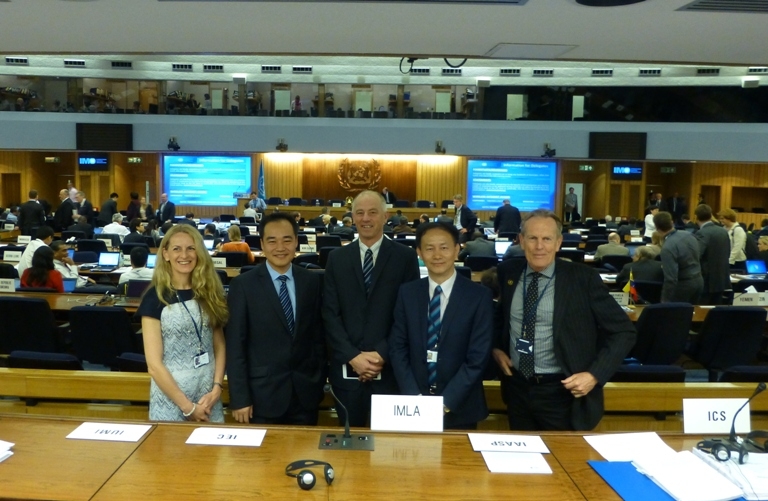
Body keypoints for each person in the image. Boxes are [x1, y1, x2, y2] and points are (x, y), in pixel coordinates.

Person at [492, 209, 635, 431]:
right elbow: (500, 318)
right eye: (532, 238)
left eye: (547, 239)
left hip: (563, 393)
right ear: (521, 240)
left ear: (558, 243)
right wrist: (496, 349)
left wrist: (594, 375)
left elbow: (623, 331)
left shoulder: (582, 278)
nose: (539, 246)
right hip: (517, 389)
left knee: (563, 454)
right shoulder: (508, 272)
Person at [323, 190, 420, 427]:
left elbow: (409, 314)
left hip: (390, 370)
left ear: (385, 217)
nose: (365, 218)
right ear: (352, 217)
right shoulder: (336, 258)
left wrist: (381, 354)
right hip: (347, 370)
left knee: (387, 444)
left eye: (373, 212)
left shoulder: (405, 257)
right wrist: (353, 356)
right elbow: (329, 314)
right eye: (360, 213)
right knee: (349, 441)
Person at [389, 222, 493, 429]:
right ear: (419, 252)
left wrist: (444, 403)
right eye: (429, 248)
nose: (437, 255)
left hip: (460, 406)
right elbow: (397, 347)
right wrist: (415, 398)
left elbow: (478, 357)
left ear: (457, 250)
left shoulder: (479, 296)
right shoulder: (407, 293)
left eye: (444, 247)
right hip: (413, 406)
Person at [227, 212, 326, 425]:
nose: (280, 247)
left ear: (296, 241)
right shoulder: (243, 285)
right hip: (261, 397)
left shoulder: (312, 281)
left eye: (287, 240)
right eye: (272, 241)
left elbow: (317, 336)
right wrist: (240, 397)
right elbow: (235, 346)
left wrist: (318, 379)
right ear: (262, 243)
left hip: (306, 394)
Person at [137, 224, 228, 422]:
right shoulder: (154, 298)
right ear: (166, 254)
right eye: (176, 249)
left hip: (208, 398)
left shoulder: (209, 293)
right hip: (172, 400)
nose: (184, 255)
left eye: (191, 248)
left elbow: (219, 345)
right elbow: (154, 365)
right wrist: (188, 407)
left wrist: (217, 388)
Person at [654, 210, 703, 303]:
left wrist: (664, 300)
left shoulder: (667, 247)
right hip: (699, 281)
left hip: (683, 286)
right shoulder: (689, 234)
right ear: (672, 222)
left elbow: (671, 279)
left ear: (656, 227)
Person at [694, 204, 731, 305]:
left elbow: (697, 254)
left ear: (696, 217)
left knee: (702, 311)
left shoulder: (702, 233)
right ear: (711, 215)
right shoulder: (723, 231)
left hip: (707, 280)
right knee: (716, 311)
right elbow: (728, 252)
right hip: (721, 278)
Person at [51, 240, 117, 293]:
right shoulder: (56, 267)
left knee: (112, 285)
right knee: (113, 289)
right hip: (78, 288)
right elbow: (72, 282)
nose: (67, 252)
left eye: (67, 250)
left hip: (84, 283)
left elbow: (72, 274)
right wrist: (73, 265)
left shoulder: (64, 261)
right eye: (64, 251)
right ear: (54, 253)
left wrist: (86, 278)